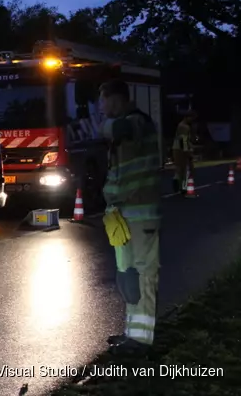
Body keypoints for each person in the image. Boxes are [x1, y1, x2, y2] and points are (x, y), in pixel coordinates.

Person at [98, 80, 161, 356]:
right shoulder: (125, 125)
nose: (101, 107)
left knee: (144, 275)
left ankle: (142, 341)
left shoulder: (137, 123)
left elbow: (117, 129)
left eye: (103, 101)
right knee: (129, 277)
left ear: (116, 99)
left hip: (141, 214)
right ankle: (131, 334)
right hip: (122, 215)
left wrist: (100, 126)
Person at [171, 111, 197, 195]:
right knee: (185, 168)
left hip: (175, 147)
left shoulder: (180, 125)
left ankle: (176, 179)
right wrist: (187, 151)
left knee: (179, 167)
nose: (192, 120)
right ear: (186, 117)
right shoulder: (185, 127)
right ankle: (183, 187)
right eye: (191, 118)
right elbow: (184, 140)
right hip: (181, 148)